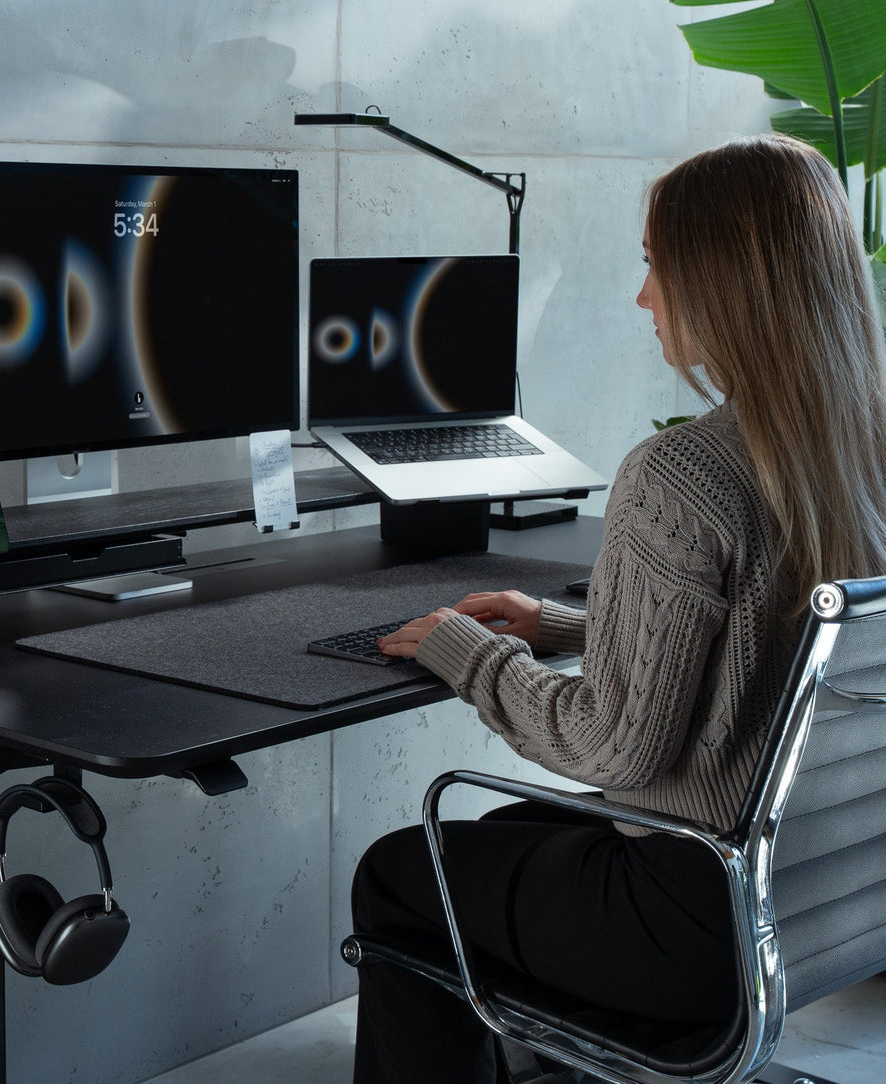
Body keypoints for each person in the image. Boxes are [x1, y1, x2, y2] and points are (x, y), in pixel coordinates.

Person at [350, 133, 886, 1083]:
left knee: (401, 873)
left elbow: (613, 750)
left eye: (653, 265)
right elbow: (783, 642)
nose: (643, 296)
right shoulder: (859, 445)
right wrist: (561, 627)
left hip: (691, 921)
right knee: (496, 843)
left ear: (719, 281)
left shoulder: (680, 476)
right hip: (832, 898)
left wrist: (469, 652)